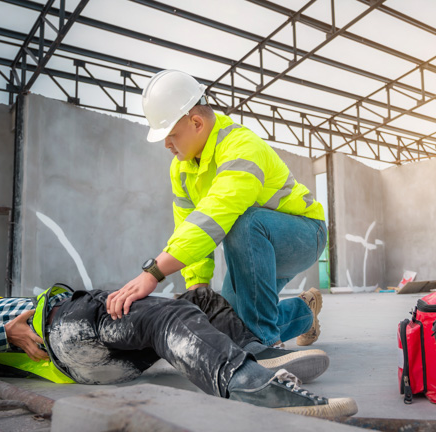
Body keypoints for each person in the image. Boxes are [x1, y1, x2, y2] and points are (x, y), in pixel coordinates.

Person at [107, 69, 327, 348]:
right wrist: (197, 286)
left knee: (244, 222)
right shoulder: (182, 169)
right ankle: (304, 313)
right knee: (230, 325)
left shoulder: (241, 147)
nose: (166, 144)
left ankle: (264, 348)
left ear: (197, 123)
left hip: (303, 236)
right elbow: (188, 224)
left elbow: (214, 215)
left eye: (172, 134)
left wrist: (154, 273)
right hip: (257, 246)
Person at [0, 286, 355, 419]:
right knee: (167, 319)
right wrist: (4, 334)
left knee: (196, 299)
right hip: (66, 328)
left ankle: (256, 352)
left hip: (90, 354)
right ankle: (252, 386)